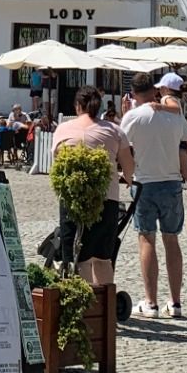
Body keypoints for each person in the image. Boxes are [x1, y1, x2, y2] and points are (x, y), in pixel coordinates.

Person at [120, 72, 187, 318]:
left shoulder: (133, 116)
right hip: (171, 181)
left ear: (133, 94)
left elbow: (119, 146)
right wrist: (176, 161)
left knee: (146, 239)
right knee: (171, 240)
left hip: (144, 182)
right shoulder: (174, 117)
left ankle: (151, 302)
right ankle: (175, 302)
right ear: (155, 91)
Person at [53, 85, 133, 288]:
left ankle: (85, 307)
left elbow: (56, 166)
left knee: (79, 258)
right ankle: (106, 310)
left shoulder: (62, 129)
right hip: (106, 200)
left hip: (72, 199)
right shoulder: (114, 131)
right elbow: (129, 169)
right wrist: (125, 178)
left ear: (78, 106)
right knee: (102, 257)